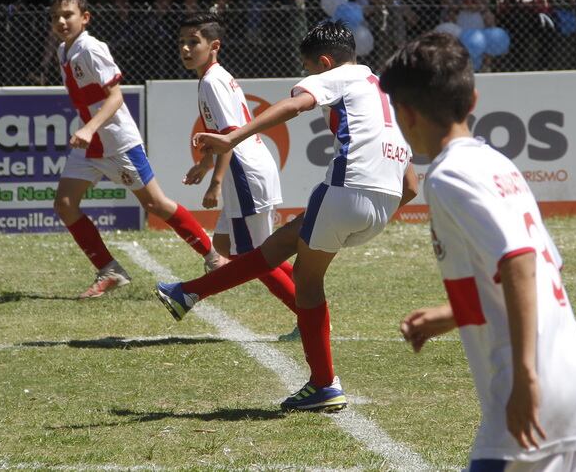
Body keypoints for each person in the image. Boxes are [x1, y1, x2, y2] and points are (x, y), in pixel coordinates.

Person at [154, 21, 419, 412]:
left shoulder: (337, 76)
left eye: (310, 69)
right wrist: (369, 215)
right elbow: (412, 185)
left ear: (325, 62)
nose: (309, 77)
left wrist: (232, 137)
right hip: (385, 201)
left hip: (347, 190)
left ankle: (324, 383)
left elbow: (295, 105)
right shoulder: (381, 88)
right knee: (278, 245)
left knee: (307, 283)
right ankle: (188, 292)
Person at [383, 31, 576, 470]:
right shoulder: (496, 163)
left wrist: (526, 376)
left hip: (533, 384)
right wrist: (452, 314)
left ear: (406, 115)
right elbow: (537, 267)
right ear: (473, 100)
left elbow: (519, 259)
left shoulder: (449, 177)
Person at [50, 0, 226, 299]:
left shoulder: (90, 48)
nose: (62, 21)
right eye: (56, 17)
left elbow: (115, 97)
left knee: (156, 204)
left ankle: (214, 257)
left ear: (85, 18)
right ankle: (110, 269)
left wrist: (90, 128)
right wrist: (89, 130)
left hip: (117, 141)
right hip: (92, 143)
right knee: (65, 204)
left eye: (68, 15)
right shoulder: (64, 51)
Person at [178, 13, 297, 316]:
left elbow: (229, 137)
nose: (186, 49)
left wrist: (215, 182)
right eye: (182, 43)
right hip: (247, 169)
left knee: (256, 258)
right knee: (225, 246)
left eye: (194, 42)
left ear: (214, 45)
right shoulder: (215, 78)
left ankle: (308, 311)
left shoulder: (212, 83)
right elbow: (223, 135)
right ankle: (307, 288)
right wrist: (206, 165)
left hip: (245, 172)